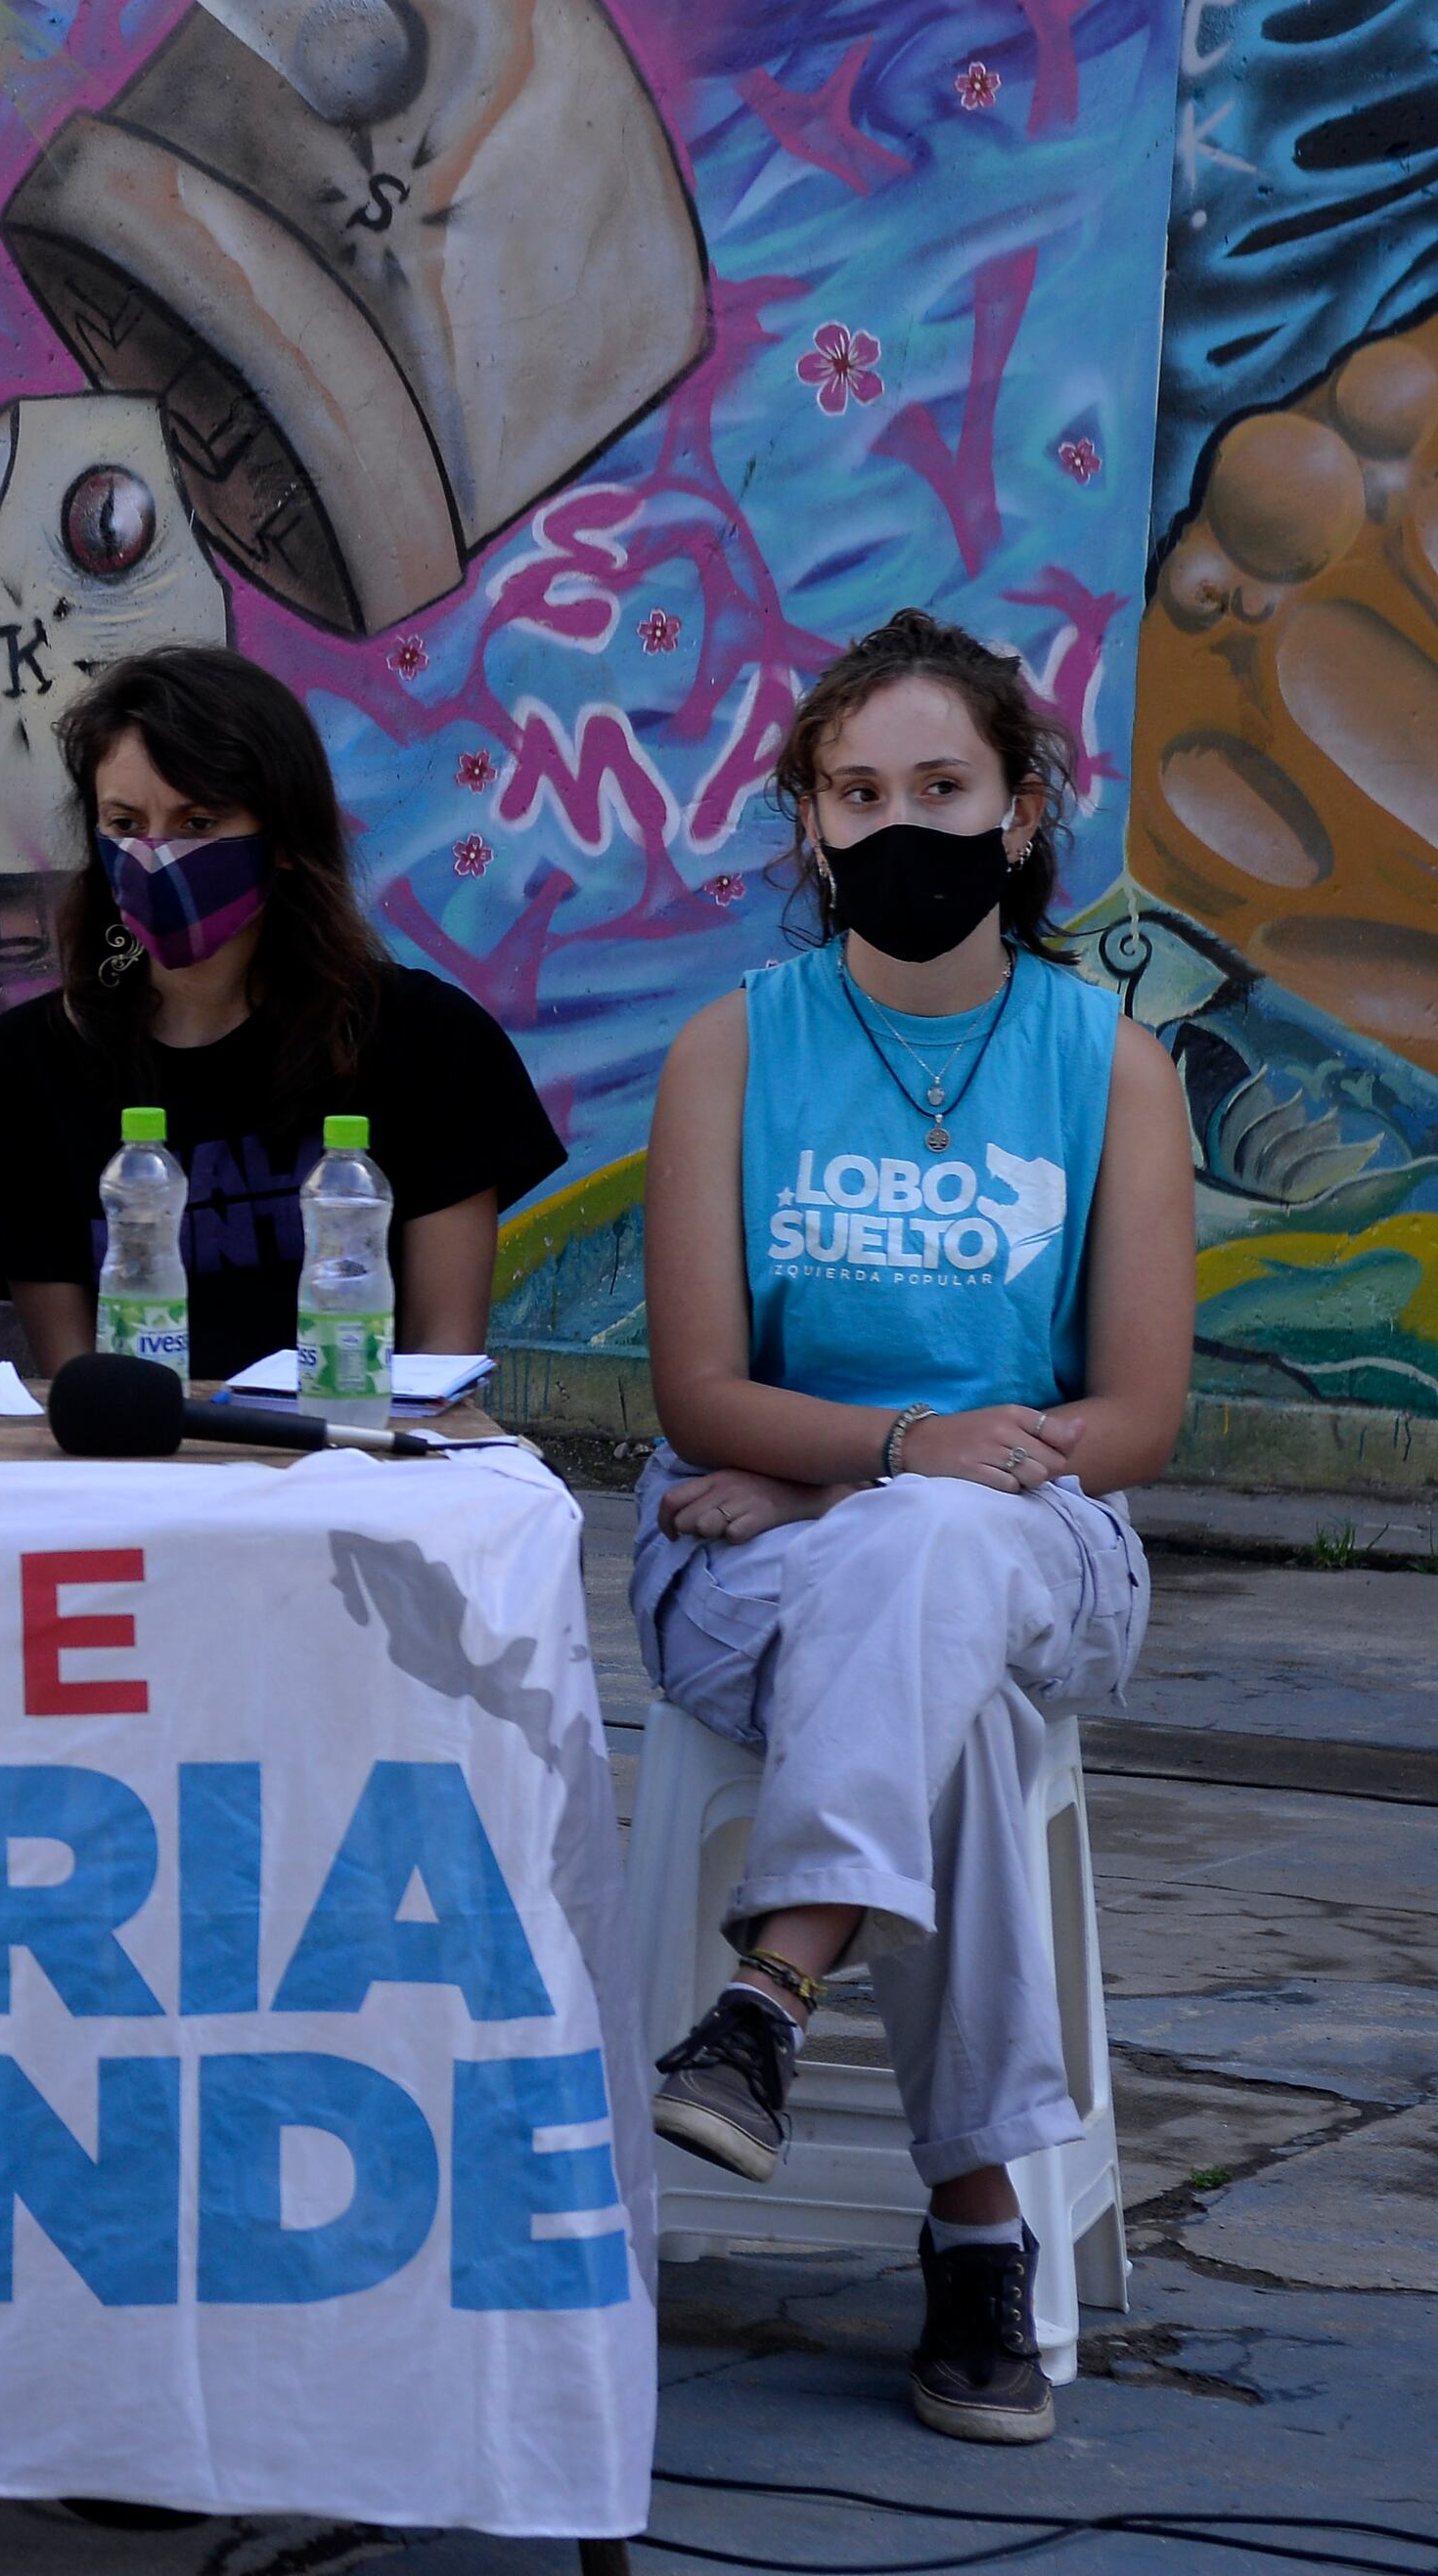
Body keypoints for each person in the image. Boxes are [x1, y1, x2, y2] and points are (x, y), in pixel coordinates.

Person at [633, 610, 1184, 2449]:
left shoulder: (1108, 1062)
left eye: (941, 787)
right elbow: (701, 1395)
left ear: (1024, 814)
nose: (899, 824)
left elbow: (1136, 1416)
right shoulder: (734, 1048)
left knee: (932, 1566)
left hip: (1038, 1540)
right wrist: (885, 1453)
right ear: (806, 821)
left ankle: (770, 1990)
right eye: (855, 791)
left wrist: (865, 1473)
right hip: (748, 1548)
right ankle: (975, 2229)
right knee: (932, 1626)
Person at [0, 644, 562, 1378]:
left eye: (198, 823)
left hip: (354, 1472)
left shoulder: (429, 1045)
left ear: (287, 840)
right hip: (138, 1477)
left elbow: (439, 1367)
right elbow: (76, 1381)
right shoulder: (29, 1069)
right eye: (126, 824)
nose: (157, 856)